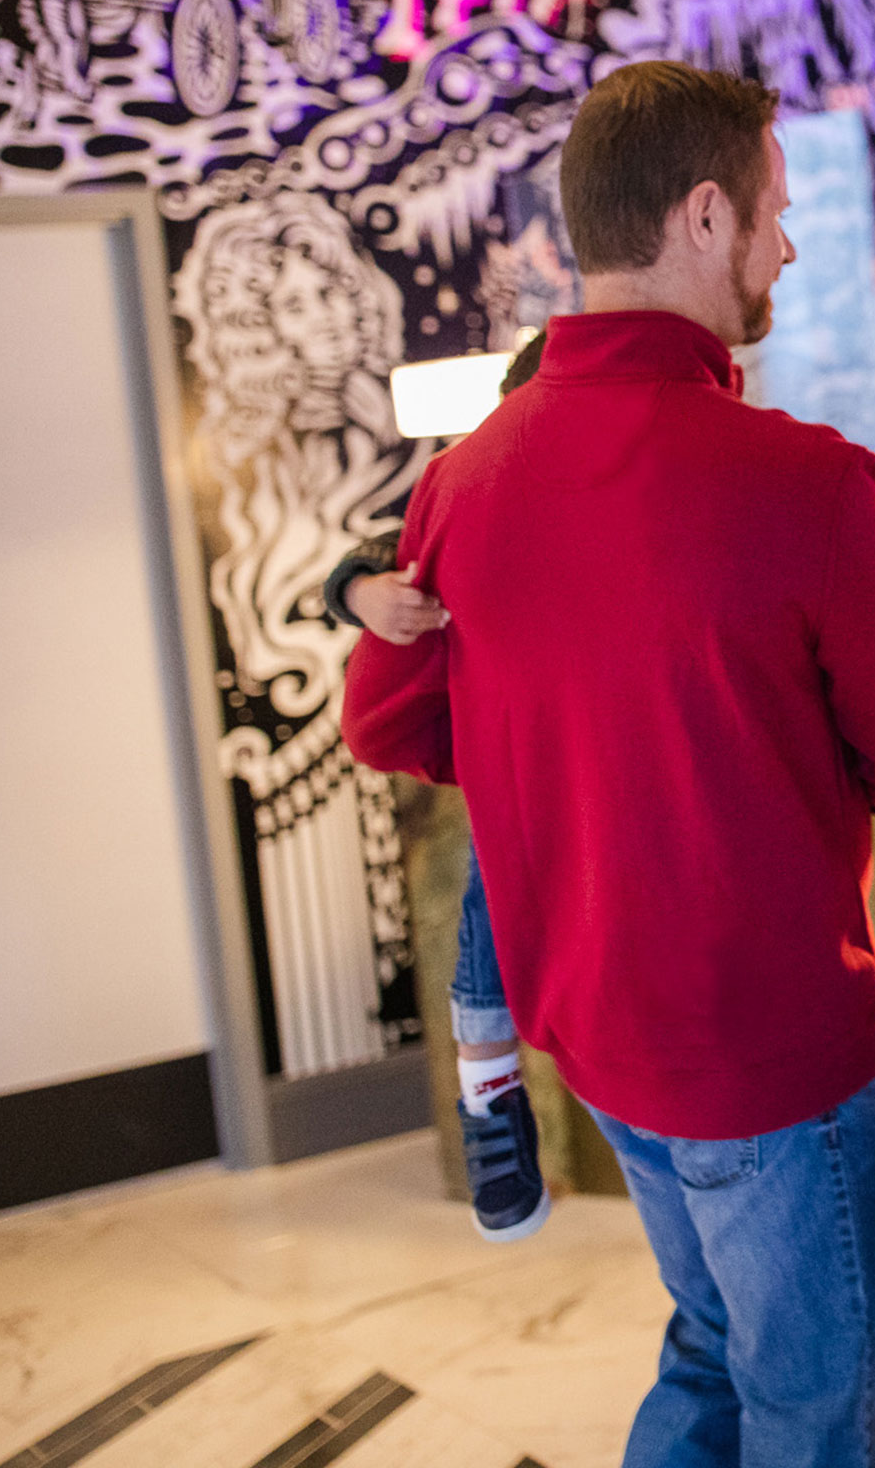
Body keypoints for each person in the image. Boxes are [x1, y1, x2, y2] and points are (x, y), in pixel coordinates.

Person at [343, 60, 875, 1468]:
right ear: (704, 216)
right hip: (768, 1055)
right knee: (825, 1414)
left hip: (597, 1037)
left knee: (712, 1345)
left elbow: (388, 724)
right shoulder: (808, 483)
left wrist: (556, 745)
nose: (787, 246)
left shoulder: (463, 482)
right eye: (775, 212)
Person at [324, 332, 547, 1242]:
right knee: (492, 857)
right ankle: (488, 1085)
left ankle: (491, 1078)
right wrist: (361, 589)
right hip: (520, 758)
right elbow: (391, 549)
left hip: (592, 746)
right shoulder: (473, 496)